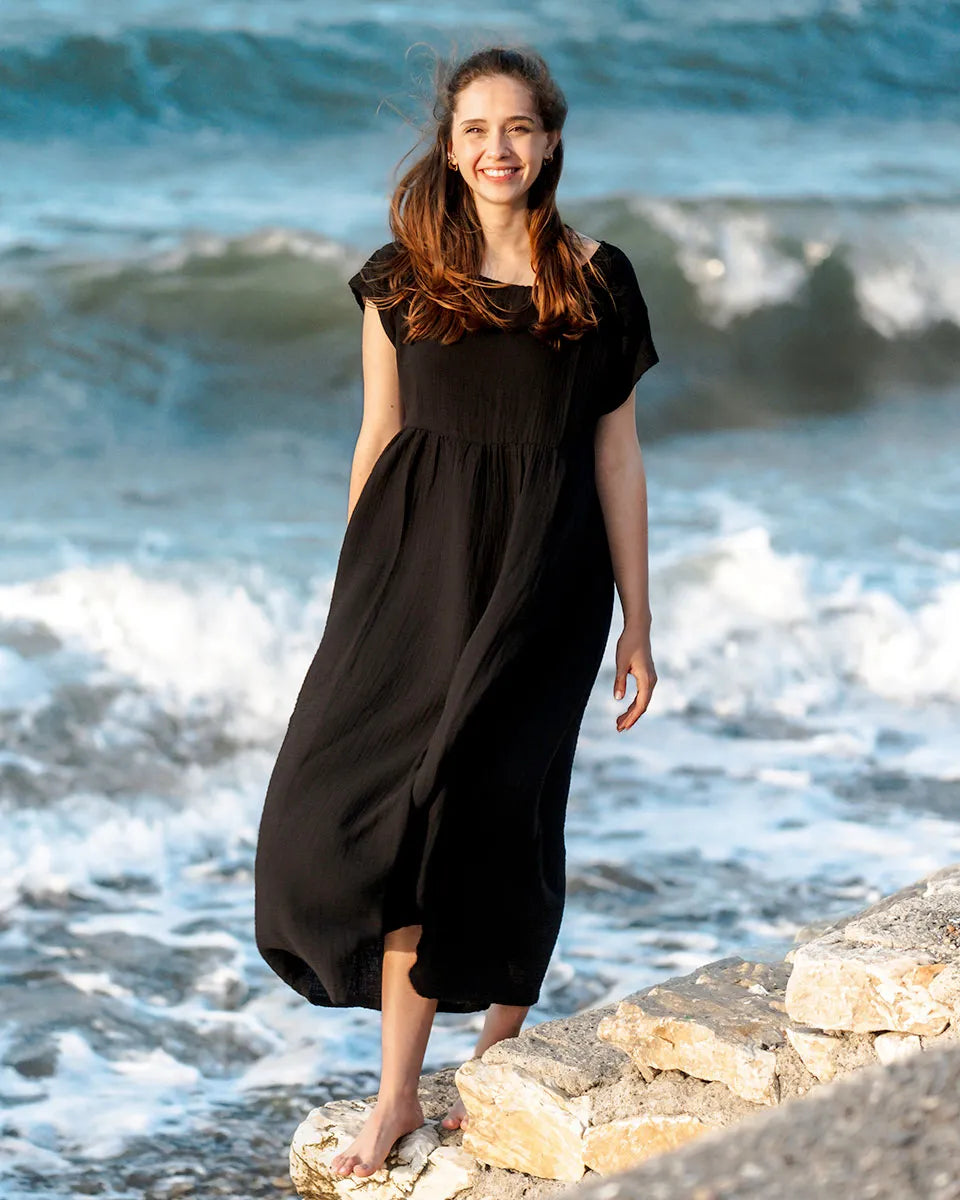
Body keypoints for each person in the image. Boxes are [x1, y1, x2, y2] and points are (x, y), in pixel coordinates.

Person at [253, 43, 659, 1180]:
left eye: (519, 128)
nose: (497, 149)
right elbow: (377, 440)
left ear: (552, 141)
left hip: (547, 574)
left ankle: (463, 1069)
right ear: (449, 143)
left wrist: (638, 618)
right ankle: (423, 1083)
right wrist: (353, 599)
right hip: (414, 572)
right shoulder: (399, 279)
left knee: (498, 807)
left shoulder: (595, 277)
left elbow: (617, 458)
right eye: (476, 129)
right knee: (338, 804)